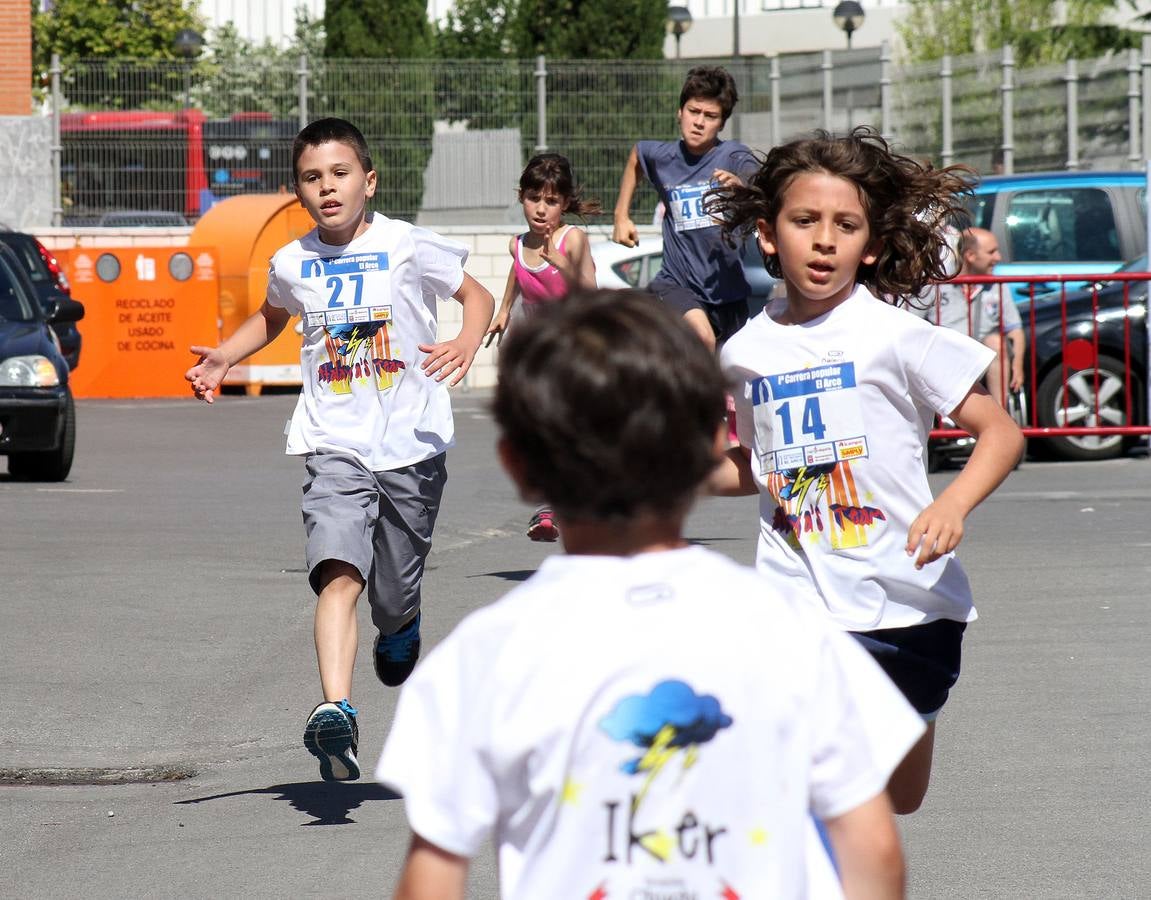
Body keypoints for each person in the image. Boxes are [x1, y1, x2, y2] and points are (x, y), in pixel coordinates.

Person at [377, 290, 925, 900]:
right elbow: (873, 847)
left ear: (518, 466)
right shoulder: (790, 628)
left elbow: (432, 876)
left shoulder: (484, 653)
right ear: (712, 451)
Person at [709, 127, 1025, 815]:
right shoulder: (744, 352)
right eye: (804, 221)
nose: (823, 240)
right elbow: (753, 466)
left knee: (895, 800)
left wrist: (951, 506)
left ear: (871, 245)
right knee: (809, 793)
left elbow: (1000, 433)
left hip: (904, 607)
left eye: (844, 225)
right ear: (767, 234)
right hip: (795, 602)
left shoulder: (893, 336)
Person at [185, 117, 494, 782]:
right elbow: (271, 315)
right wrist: (223, 359)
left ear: (368, 180)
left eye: (339, 173)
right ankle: (336, 710)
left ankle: (403, 620)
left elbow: (476, 294)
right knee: (337, 569)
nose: (327, 187)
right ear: (297, 191)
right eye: (311, 178)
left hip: (410, 443)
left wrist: (467, 339)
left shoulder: (405, 244)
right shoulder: (294, 261)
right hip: (333, 441)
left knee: (389, 592)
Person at [485, 152, 601, 543]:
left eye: (551, 201)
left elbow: (590, 293)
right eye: (534, 198)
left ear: (564, 203)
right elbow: (518, 275)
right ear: (522, 197)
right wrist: (503, 311)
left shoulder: (574, 240)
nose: (541, 208)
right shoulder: (517, 245)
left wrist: (561, 263)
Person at [611, 66, 758, 352]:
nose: (699, 122)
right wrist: (621, 215)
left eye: (710, 116)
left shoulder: (734, 155)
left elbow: (758, 183)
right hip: (678, 283)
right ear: (680, 112)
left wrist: (741, 187)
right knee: (701, 337)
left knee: (731, 371)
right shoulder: (663, 156)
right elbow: (636, 157)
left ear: (722, 123)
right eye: (693, 111)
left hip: (729, 292)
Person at [917, 227, 1025, 407]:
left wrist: (1018, 365)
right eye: (992, 252)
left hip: (981, 360)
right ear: (970, 256)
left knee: (995, 343)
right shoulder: (936, 281)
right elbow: (913, 322)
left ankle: (999, 417)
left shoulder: (997, 285)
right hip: (943, 357)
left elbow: (1014, 328)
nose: (998, 258)